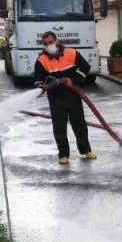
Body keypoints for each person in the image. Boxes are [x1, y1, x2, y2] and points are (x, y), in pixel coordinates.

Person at [33, 31, 96, 165]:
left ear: (57, 41)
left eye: (51, 42)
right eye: (45, 44)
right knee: (59, 127)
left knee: (79, 124)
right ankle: (63, 154)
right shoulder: (42, 60)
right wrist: (41, 85)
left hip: (73, 95)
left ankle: (86, 150)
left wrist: (73, 80)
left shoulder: (71, 53)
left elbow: (85, 67)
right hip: (56, 98)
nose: (49, 45)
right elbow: (38, 77)